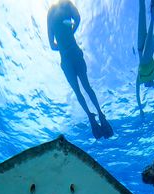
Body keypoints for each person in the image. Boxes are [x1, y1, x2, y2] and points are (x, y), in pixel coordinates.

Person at [47, 0, 114, 139]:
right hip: (75, 54)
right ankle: (99, 114)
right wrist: (70, 35)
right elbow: (77, 19)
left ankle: (92, 116)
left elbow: (52, 46)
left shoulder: (51, 13)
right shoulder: (67, 5)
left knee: (79, 90)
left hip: (66, 59)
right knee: (86, 87)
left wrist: (63, 45)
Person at [136, 0, 154, 117]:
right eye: (149, 85)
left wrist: (140, 109)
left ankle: (150, 11)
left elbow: (137, 95)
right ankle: (153, 15)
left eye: (147, 86)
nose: (147, 85)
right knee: (145, 57)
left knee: (141, 11)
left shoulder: (140, 80)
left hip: (140, 47)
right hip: (149, 46)